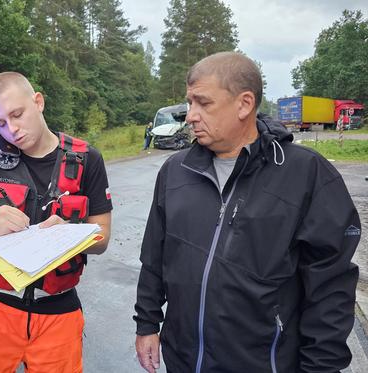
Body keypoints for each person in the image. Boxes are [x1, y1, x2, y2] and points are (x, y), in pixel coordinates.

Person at [134, 51, 360, 373]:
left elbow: (330, 289)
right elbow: (154, 257)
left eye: (203, 103)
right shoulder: (175, 171)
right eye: (189, 103)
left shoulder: (304, 175)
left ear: (244, 104)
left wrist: (321, 367)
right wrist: (146, 324)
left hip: (263, 363)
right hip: (181, 359)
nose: (191, 116)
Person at [0, 72, 113, 372]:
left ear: (38, 102)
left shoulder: (88, 160)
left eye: (17, 114)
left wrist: (73, 234)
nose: (12, 130)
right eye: (1, 123)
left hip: (57, 312)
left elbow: (103, 238)